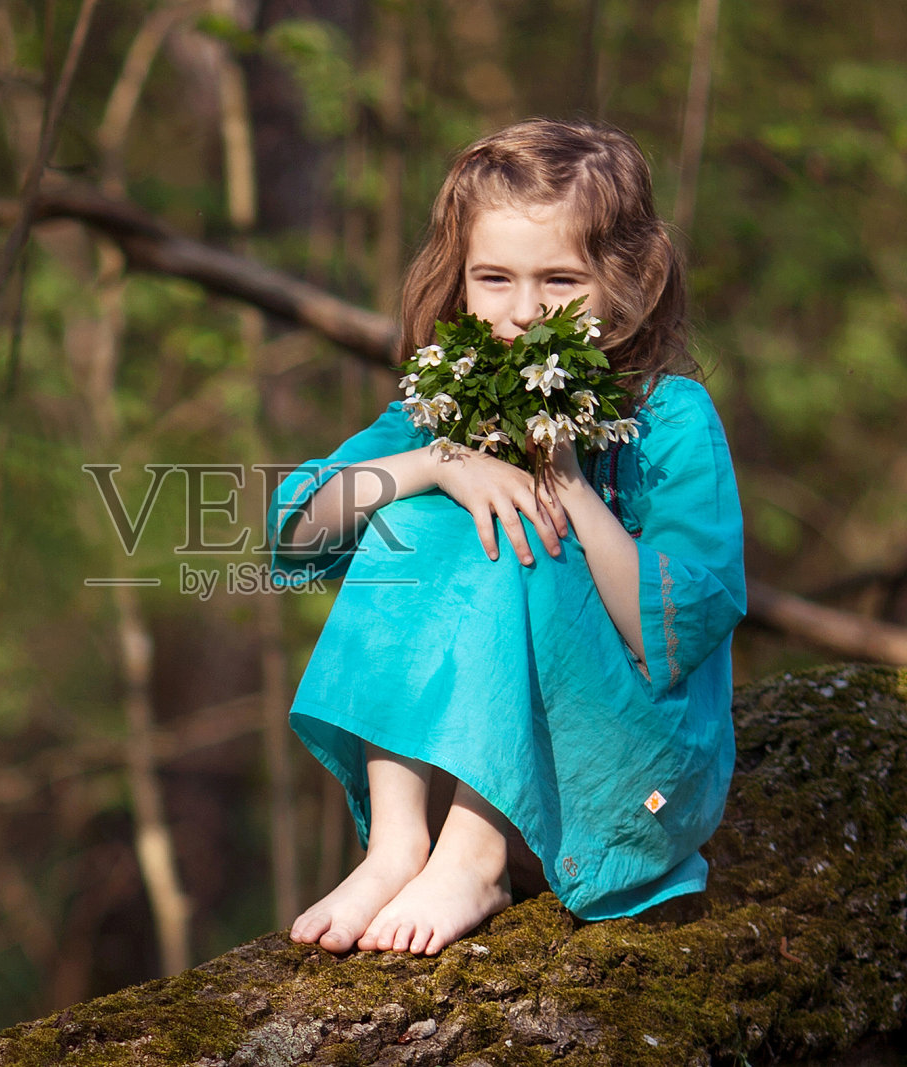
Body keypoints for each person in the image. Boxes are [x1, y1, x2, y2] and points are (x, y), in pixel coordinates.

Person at [265, 118, 746, 956]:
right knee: (411, 507)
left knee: (521, 519)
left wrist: (560, 478)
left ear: (631, 280)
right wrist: (438, 462)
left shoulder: (671, 417)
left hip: (629, 785)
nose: (524, 313)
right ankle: (398, 844)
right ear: (459, 282)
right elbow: (297, 529)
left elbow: (674, 629)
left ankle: (478, 857)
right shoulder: (440, 405)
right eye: (494, 278)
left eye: (560, 280)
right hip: (469, 780)